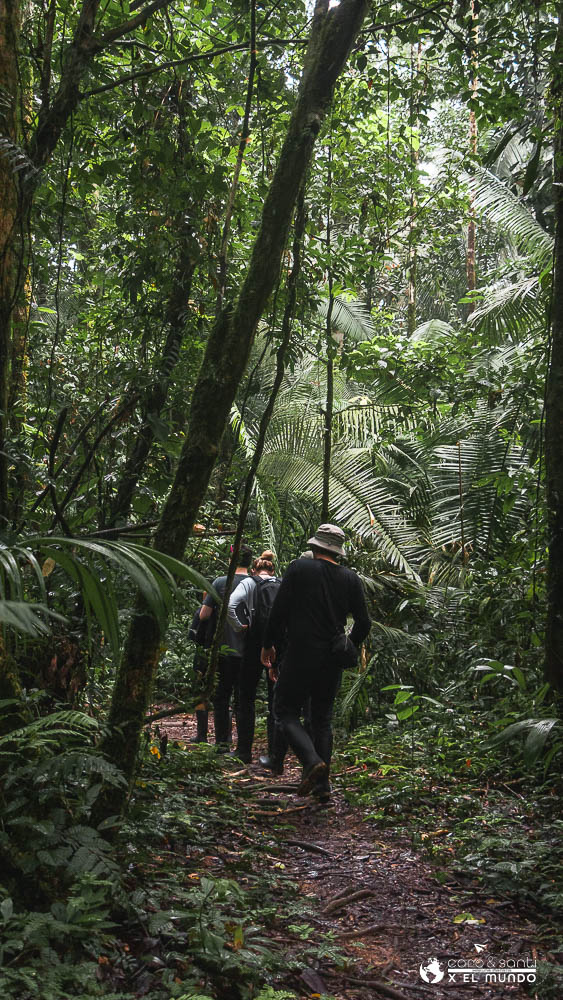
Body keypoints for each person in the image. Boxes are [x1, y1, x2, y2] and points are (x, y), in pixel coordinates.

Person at [261, 524, 370, 800]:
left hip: (299, 653)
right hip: (331, 658)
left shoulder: (299, 568)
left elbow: (279, 611)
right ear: (337, 551)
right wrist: (348, 644)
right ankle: (323, 787)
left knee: (284, 710)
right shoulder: (351, 579)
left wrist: (268, 645)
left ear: (315, 546)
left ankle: (311, 762)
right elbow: (363, 623)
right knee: (321, 719)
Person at [227, 550, 282, 763]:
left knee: (245, 697)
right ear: (273, 569)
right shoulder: (282, 582)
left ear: (254, 570)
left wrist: (240, 626)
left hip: (253, 644)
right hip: (277, 645)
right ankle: (275, 754)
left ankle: (244, 751)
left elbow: (232, 605)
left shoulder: (249, 583)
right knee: (275, 700)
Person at [198, 544, 253, 752]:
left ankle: (222, 743)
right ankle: (243, 747)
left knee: (222, 696)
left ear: (232, 560)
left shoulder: (221, 582)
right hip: (248, 650)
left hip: (223, 649)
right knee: (243, 698)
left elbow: (204, 615)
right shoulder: (254, 583)